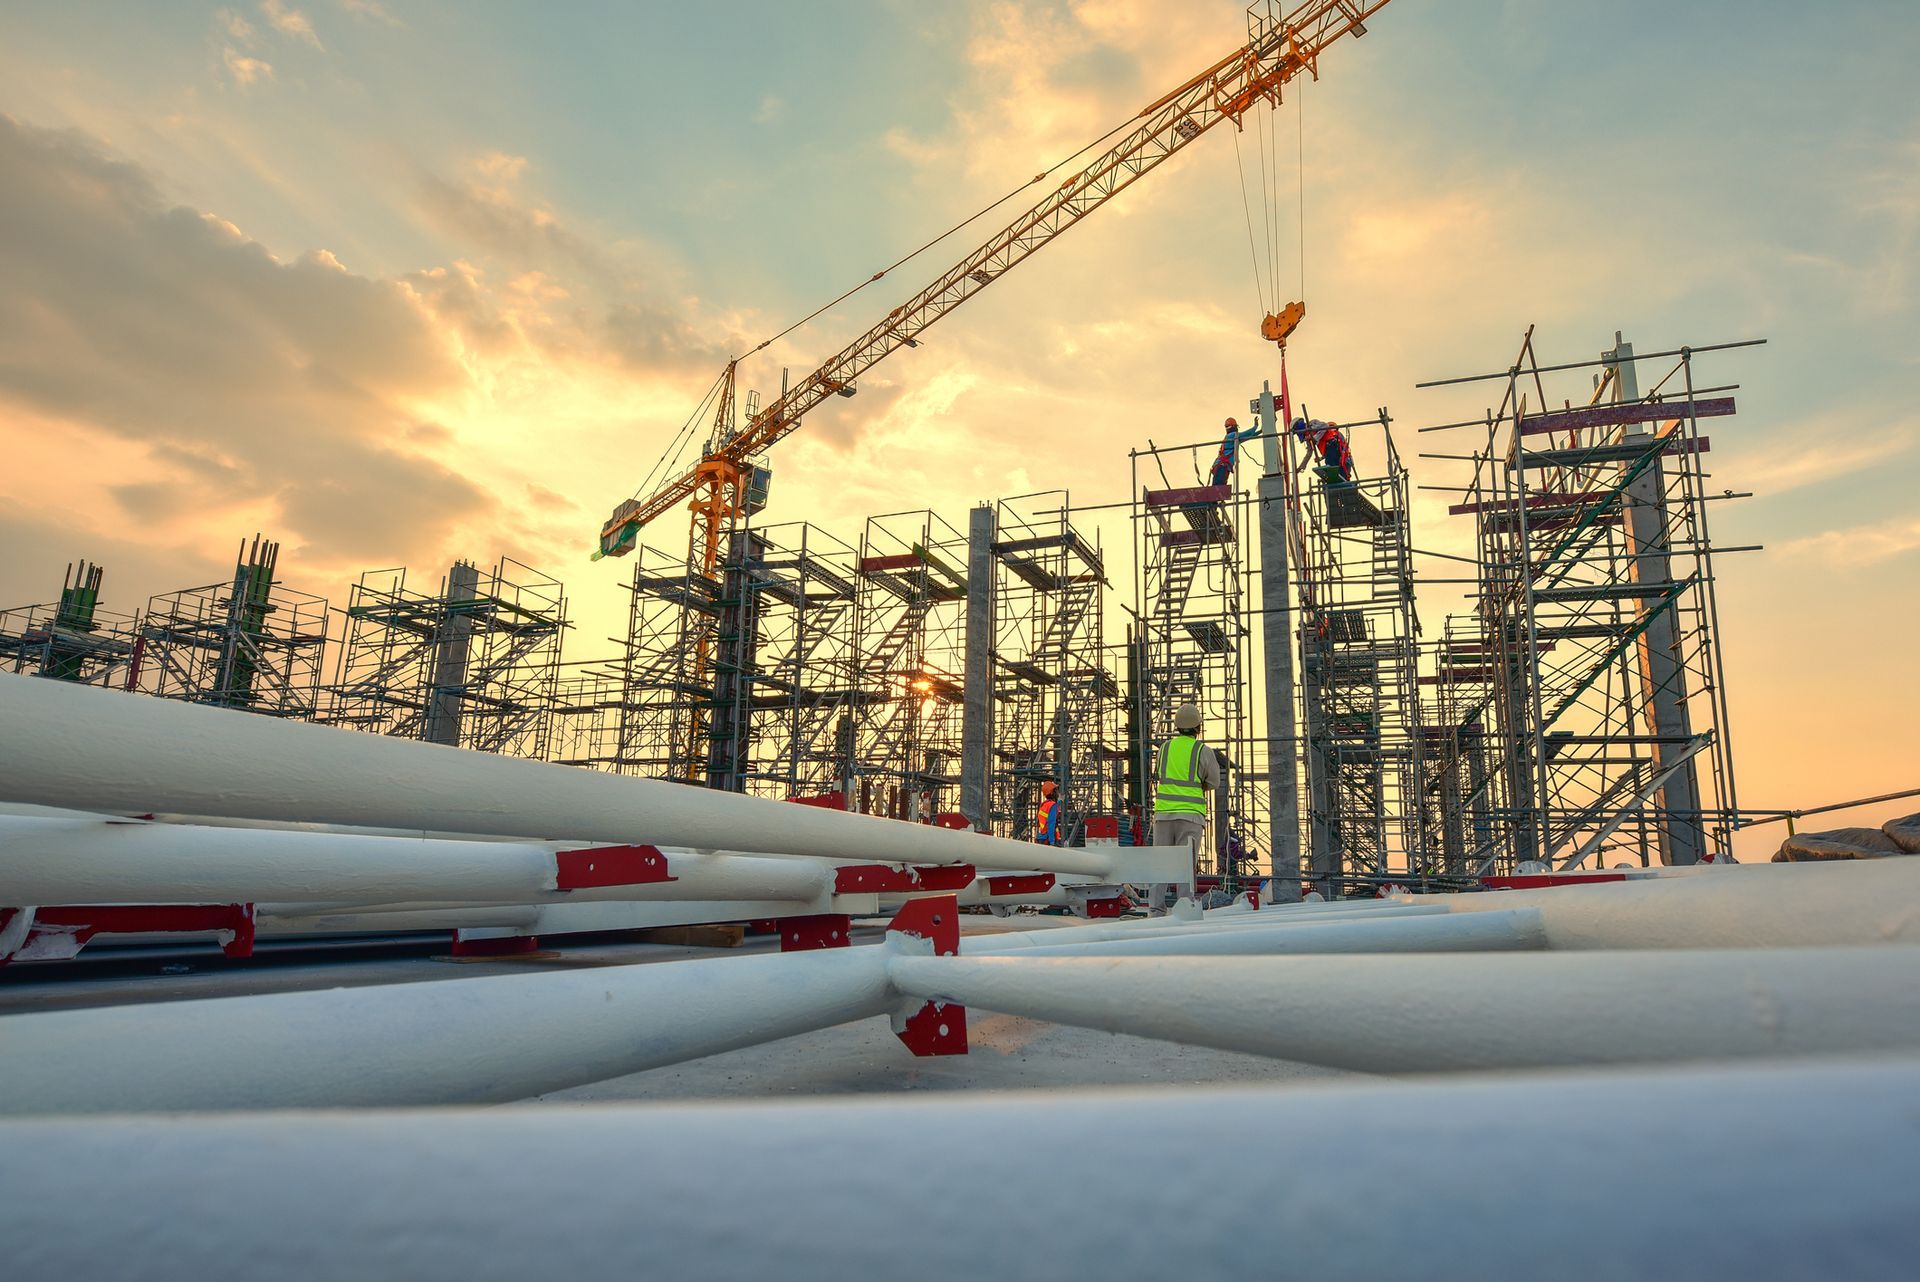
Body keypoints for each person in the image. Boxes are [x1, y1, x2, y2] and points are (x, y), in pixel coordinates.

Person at [1149, 702, 1222, 913]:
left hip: (1163, 813)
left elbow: (1161, 774)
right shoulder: (1203, 750)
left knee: (1160, 862)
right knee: (1185, 863)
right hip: (1191, 815)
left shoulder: (1165, 748)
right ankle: (1184, 907)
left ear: (1177, 725)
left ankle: (1155, 908)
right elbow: (1214, 782)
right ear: (1198, 727)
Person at [1292, 417, 1353, 484]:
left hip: (1331, 444)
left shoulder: (1312, 424)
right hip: (1328, 451)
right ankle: (1338, 485)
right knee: (1334, 469)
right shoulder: (1307, 436)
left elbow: (1325, 426)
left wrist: (1315, 438)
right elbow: (1309, 452)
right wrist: (1301, 467)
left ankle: (1341, 484)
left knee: (1333, 468)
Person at [1208, 417, 1260, 487]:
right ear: (1234, 426)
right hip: (1222, 467)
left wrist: (1261, 431)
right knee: (1218, 490)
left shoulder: (1233, 439)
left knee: (1220, 491)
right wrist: (1255, 426)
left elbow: (1249, 436)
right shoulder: (1232, 435)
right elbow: (1248, 433)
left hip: (1222, 467)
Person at [1034, 779, 1061, 846]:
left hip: (1042, 838)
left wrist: (1060, 801)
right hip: (1047, 839)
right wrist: (1052, 842)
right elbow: (1051, 824)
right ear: (1052, 793)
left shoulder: (1045, 805)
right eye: (1056, 791)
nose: (1058, 793)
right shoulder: (1052, 806)